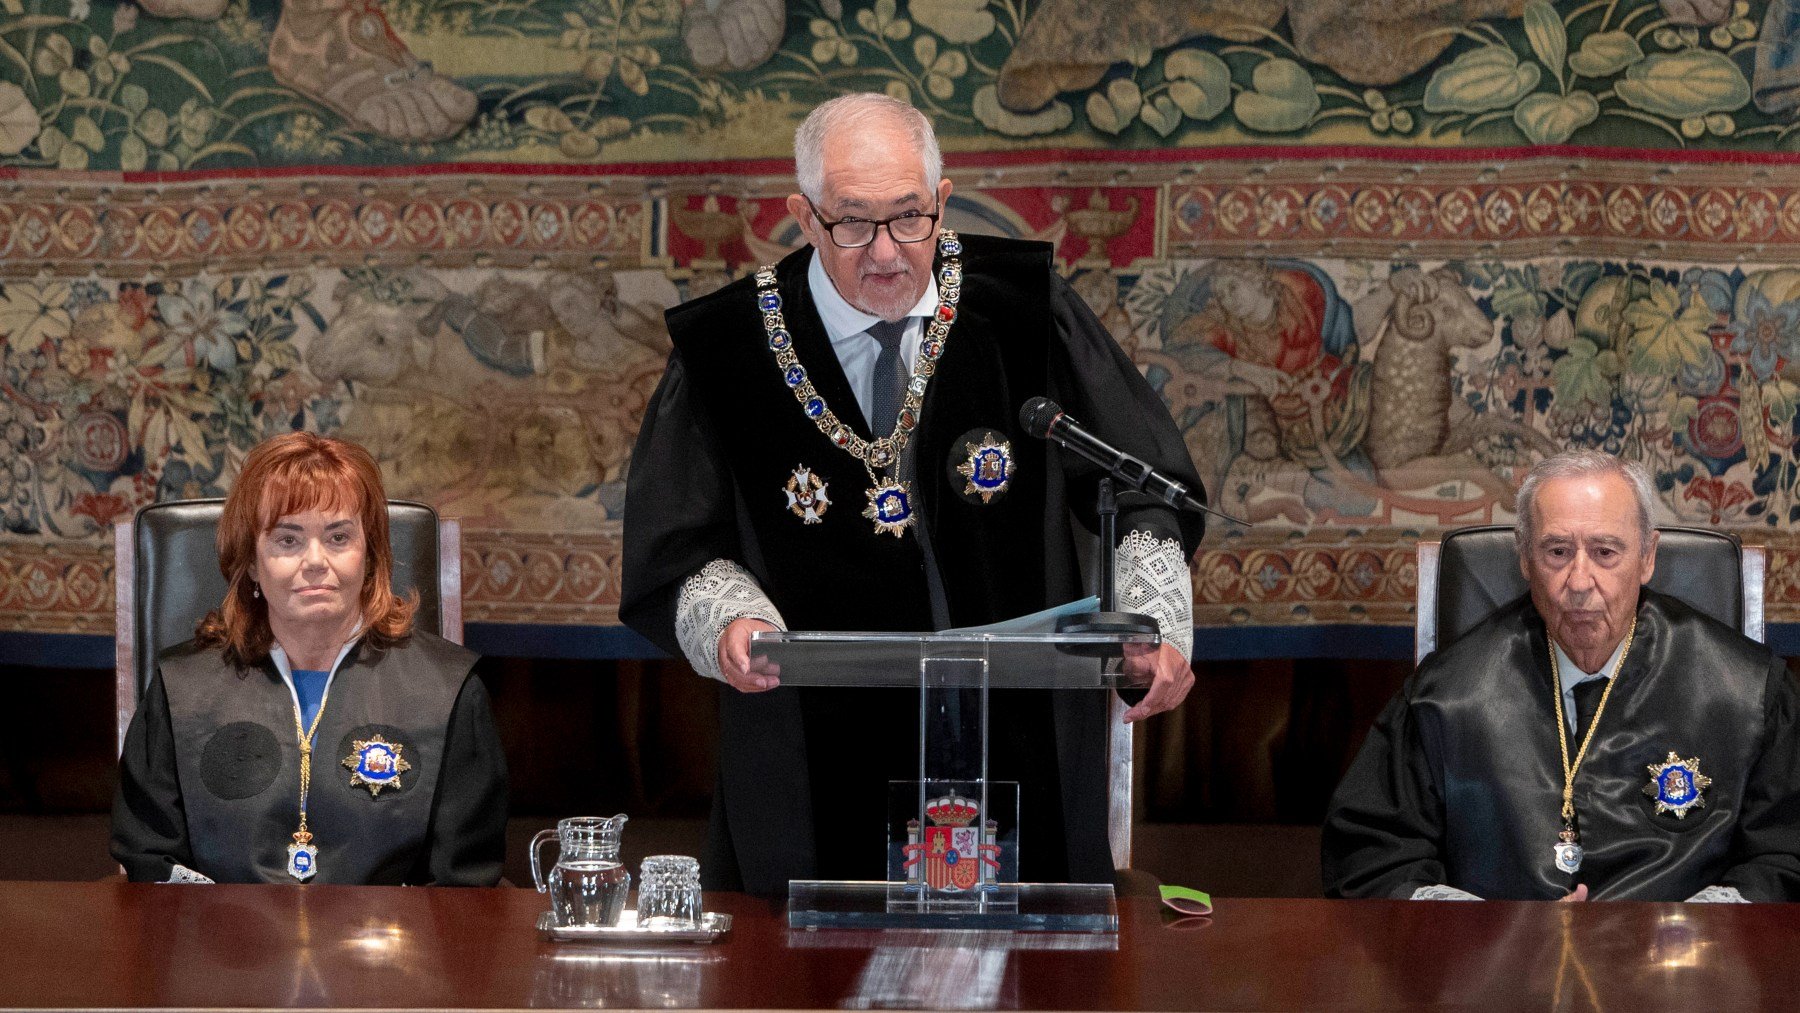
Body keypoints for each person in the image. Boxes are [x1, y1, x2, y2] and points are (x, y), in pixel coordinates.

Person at [621, 93, 1205, 894]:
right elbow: (678, 548)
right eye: (853, 224)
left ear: (942, 198)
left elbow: (1144, 486)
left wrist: (1158, 622)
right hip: (810, 762)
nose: (888, 252)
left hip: (1022, 747)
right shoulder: (729, 349)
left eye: (911, 218)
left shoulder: (1021, 310)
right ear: (804, 214)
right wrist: (731, 620)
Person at [1323, 449, 1800, 901]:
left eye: (1606, 552)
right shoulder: (1445, 696)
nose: (1578, 581)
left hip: (1679, 973)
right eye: (1556, 552)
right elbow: (1372, 858)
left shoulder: (1748, 693)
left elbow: (1784, 857)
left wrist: (1681, 933)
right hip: (1499, 978)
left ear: (1648, 557)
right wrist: (1498, 933)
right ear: (1525, 558)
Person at [111, 432, 508, 885]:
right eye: (288, 540)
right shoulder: (180, 689)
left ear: (370, 557)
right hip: (223, 946)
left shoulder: (450, 691)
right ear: (253, 563)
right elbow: (149, 863)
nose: (315, 560)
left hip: (391, 950)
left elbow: (465, 886)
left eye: (338, 537)